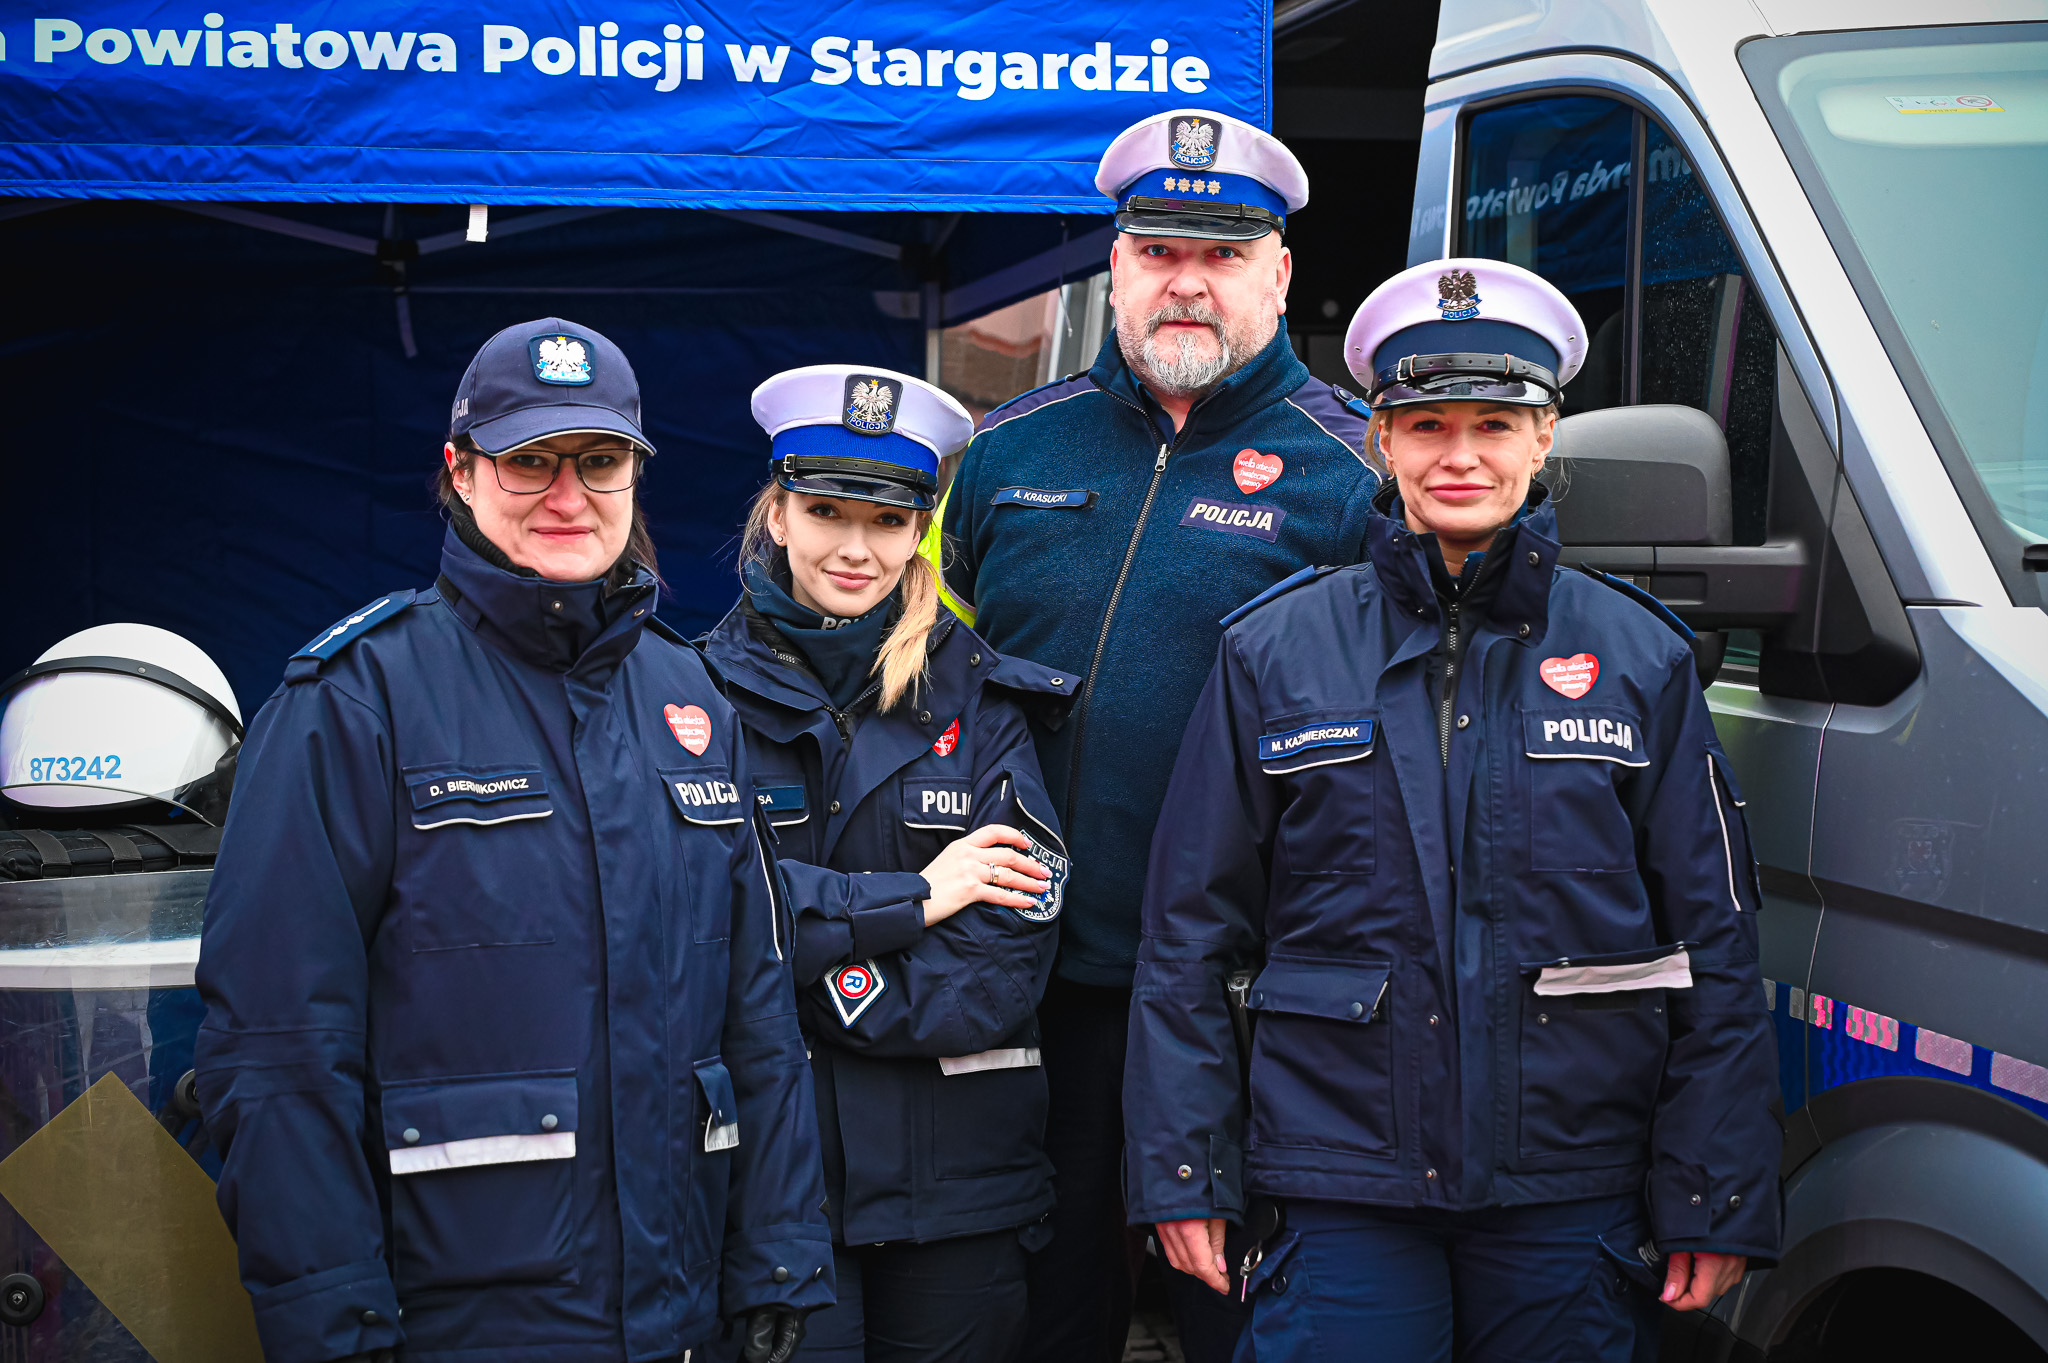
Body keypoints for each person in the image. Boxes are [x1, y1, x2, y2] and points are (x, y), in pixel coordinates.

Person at [1122, 258, 1783, 1361]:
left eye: (1495, 424)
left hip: (1571, 1186)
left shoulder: (1640, 658)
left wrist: (1716, 1187)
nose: (1460, 455)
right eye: (1426, 424)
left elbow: (1714, 944)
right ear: (1381, 439)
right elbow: (1187, 931)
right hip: (1338, 1182)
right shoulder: (1272, 651)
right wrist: (1183, 1167)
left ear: (1543, 437)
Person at [194, 319, 831, 1363]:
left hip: (678, 1319)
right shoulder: (354, 702)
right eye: (529, 460)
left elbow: (755, 1010)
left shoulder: (690, 696)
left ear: (635, 472)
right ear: (459, 472)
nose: (568, 495)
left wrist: (778, 1250)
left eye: (600, 460)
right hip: (456, 1326)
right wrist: (333, 1315)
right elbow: (276, 1047)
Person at [921, 109, 1383, 1363]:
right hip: (1033, 990)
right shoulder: (1005, 452)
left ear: (1278, 275)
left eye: (1223, 254)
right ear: (1113, 267)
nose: (1187, 280)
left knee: (1244, 1318)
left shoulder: (1356, 476)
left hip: (1252, 1004)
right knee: (1043, 1312)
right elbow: (912, 682)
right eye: (1159, 250)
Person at [700, 365, 1070, 1363]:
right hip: (769, 1188)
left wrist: (826, 985)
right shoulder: (688, 699)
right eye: (827, 512)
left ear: (920, 531)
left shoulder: (985, 702)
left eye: (887, 519)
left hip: (958, 1186)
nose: (855, 548)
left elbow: (1007, 951)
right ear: (779, 514)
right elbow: (701, 913)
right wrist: (916, 897)